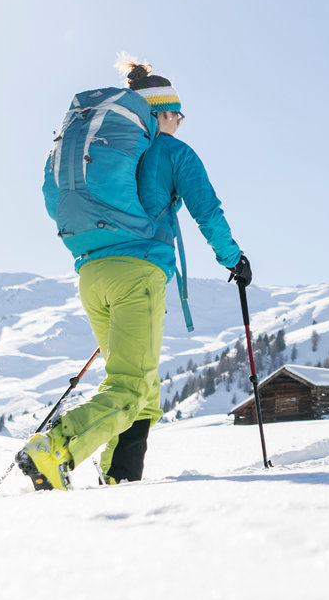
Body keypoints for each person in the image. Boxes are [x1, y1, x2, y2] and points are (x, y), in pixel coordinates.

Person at [18, 58, 251, 490]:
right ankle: (56, 449)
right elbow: (208, 212)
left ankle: (120, 481)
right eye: (176, 114)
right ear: (160, 112)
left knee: (143, 391)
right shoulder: (172, 151)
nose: (179, 122)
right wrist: (234, 260)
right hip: (137, 273)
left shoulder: (108, 150)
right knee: (129, 386)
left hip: (91, 270)